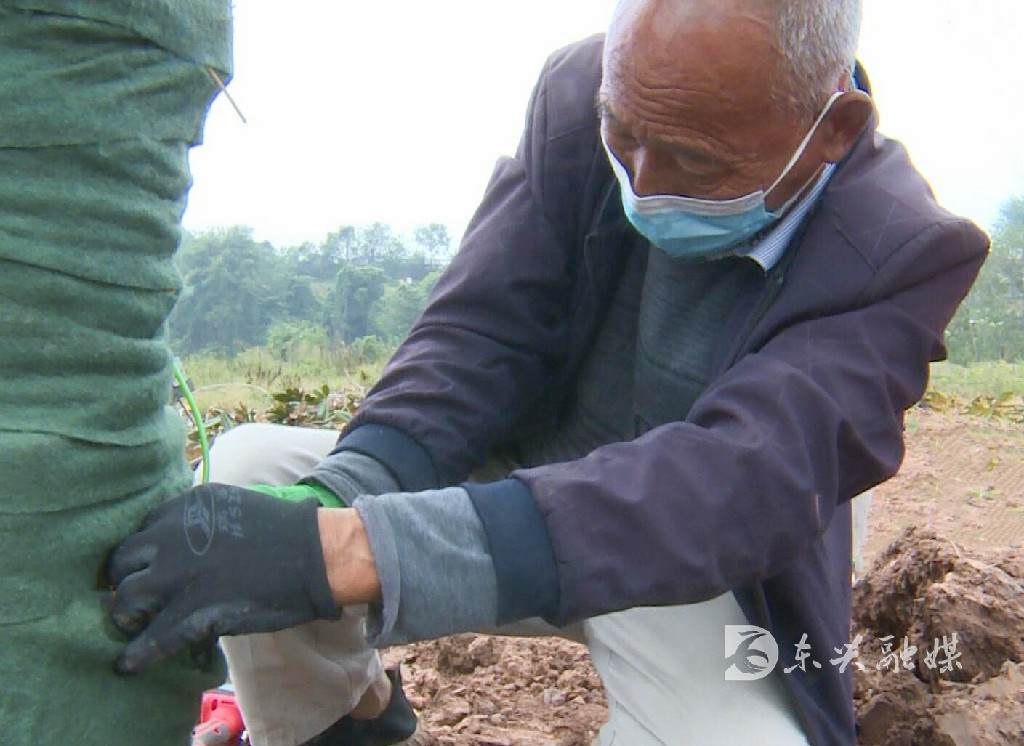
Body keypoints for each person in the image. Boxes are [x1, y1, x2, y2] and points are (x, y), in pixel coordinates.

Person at [103, 0, 989, 744]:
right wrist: (336, 499)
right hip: (514, 494)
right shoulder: (579, 93)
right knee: (252, 473)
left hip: (698, 571)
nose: (642, 182)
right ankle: (350, 722)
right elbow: (480, 331)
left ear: (831, 130)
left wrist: (342, 551)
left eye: (693, 161)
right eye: (623, 135)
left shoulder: (900, 252)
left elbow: (735, 485)